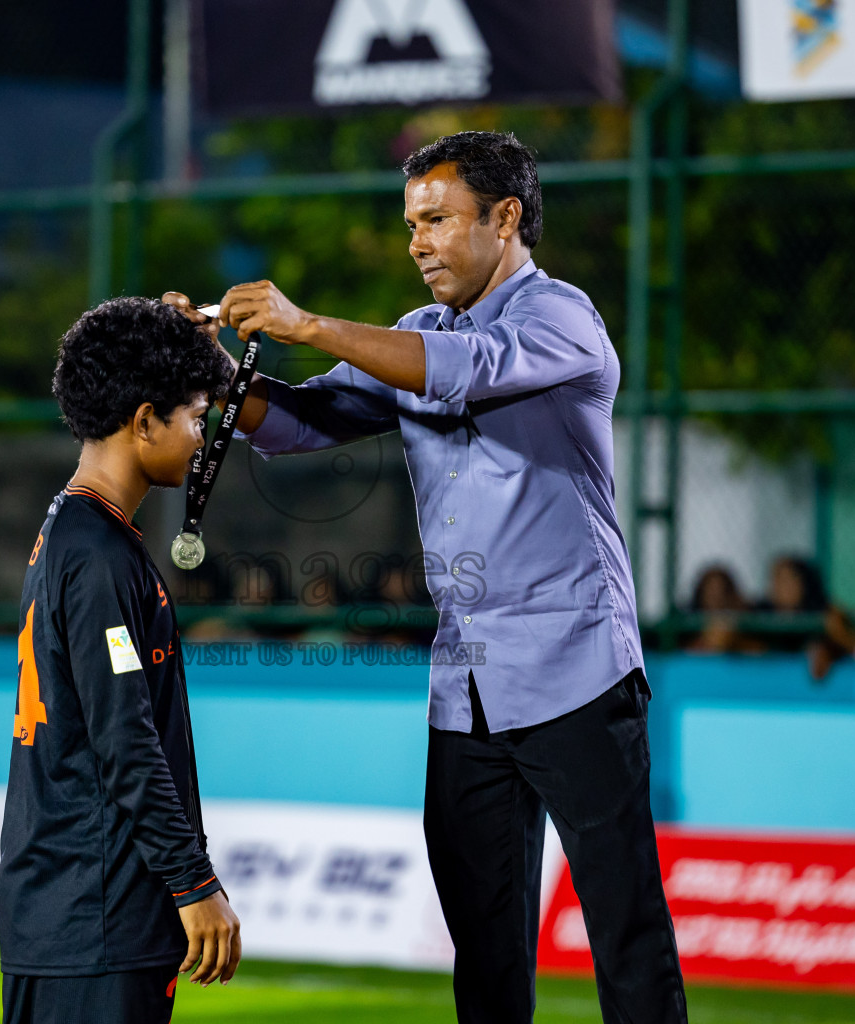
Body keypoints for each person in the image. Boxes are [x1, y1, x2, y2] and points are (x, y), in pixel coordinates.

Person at [171, 131, 687, 1023]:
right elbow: (301, 421)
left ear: (506, 218)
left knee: (627, 937)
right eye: (412, 223)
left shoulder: (561, 316)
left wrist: (309, 323)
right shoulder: (414, 333)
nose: (417, 243)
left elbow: (465, 374)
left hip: (577, 672)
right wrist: (205, 371)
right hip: (465, 690)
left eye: (438, 221)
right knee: (484, 957)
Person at [0, 297, 240, 1024]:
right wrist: (195, 884)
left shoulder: (70, 530)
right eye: (196, 417)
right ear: (143, 422)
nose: (201, 439)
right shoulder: (99, 555)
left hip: (68, 908)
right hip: (97, 911)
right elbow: (125, 740)